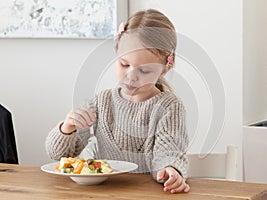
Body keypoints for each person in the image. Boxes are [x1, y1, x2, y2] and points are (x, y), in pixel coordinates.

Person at [46, 9, 189, 193]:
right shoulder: (102, 101)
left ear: (164, 69)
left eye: (144, 71)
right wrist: (67, 128)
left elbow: (167, 153)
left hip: (147, 194)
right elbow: (59, 155)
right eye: (124, 64)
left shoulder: (169, 107)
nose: (131, 76)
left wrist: (170, 170)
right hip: (104, 192)